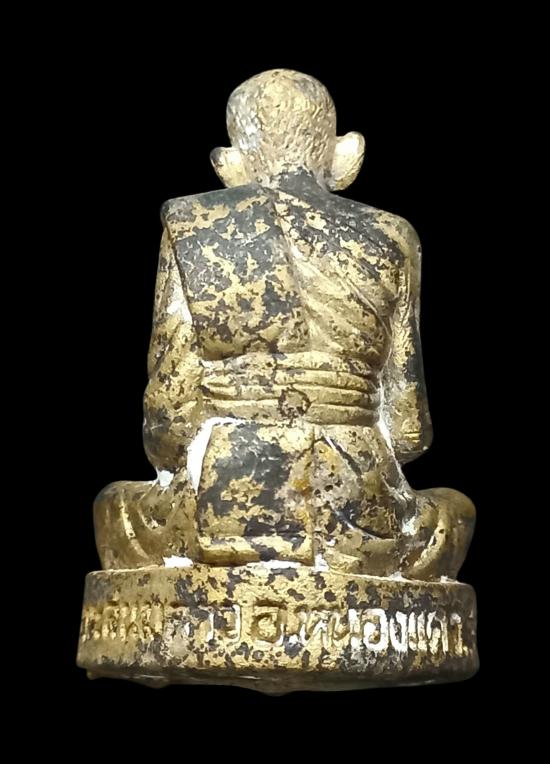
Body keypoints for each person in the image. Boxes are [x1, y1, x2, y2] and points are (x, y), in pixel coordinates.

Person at [94, 69, 474, 579]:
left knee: (115, 506)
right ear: (345, 155)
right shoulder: (392, 236)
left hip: (220, 499)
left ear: (229, 164)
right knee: (452, 514)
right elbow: (408, 432)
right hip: (360, 508)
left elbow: (167, 420)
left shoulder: (197, 223)